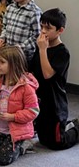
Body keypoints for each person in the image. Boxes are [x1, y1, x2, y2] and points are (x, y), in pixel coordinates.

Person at [31, 8, 79, 150]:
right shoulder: (40, 46)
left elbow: (48, 74)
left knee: (57, 143)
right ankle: (69, 124)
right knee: (43, 139)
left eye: (48, 28)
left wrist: (42, 50)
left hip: (55, 104)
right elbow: (33, 70)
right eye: (41, 26)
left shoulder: (62, 52)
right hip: (40, 99)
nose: (43, 31)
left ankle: (76, 128)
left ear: (60, 30)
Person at [0, 45, 39, 165]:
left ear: (13, 64)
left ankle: (24, 145)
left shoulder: (26, 87)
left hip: (16, 132)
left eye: (2, 62)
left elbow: (33, 111)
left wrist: (13, 117)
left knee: (3, 160)